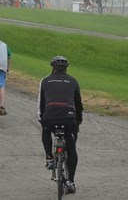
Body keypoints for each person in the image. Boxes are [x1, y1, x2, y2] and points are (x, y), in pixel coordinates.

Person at [38, 56, 83, 194]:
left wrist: (41, 119)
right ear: (66, 69)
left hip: (50, 117)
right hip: (69, 118)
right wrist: (79, 120)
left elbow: (41, 103)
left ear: (52, 67)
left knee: (45, 130)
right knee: (71, 148)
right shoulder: (73, 81)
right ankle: (70, 181)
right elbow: (78, 104)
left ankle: (49, 158)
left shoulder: (45, 81)